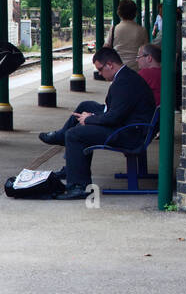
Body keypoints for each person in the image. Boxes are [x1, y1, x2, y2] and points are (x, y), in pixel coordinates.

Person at [38, 46, 156, 200]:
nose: (99, 74)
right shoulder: (125, 77)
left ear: (110, 65)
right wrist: (92, 115)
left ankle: (79, 186)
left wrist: (89, 119)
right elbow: (115, 112)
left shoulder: (124, 83)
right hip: (129, 126)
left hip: (128, 133)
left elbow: (114, 117)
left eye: (100, 69)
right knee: (85, 106)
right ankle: (64, 145)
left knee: (75, 135)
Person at [105, 0, 147, 70]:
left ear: (119, 12)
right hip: (136, 68)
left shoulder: (114, 29)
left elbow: (106, 47)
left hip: (118, 68)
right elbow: (146, 50)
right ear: (135, 13)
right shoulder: (142, 30)